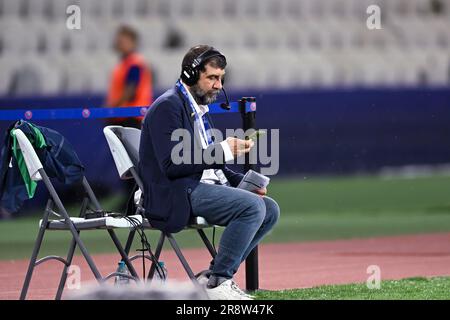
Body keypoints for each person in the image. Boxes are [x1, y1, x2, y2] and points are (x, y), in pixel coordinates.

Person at [139, 45, 280, 300]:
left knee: (269, 209)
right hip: (175, 192)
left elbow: (210, 163)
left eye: (221, 79)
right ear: (191, 75)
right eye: (212, 78)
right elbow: (172, 165)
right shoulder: (167, 107)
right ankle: (219, 283)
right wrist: (223, 150)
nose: (218, 85)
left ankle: (213, 278)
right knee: (252, 208)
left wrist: (243, 181)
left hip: (195, 187)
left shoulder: (196, 108)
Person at [106, 25, 153, 128]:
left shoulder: (134, 63)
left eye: (123, 41)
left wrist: (111, 108)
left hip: (131, 116)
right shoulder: (125, 62)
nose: (119, 44)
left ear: (133, 42)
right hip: (124, 115)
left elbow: (130, 90)